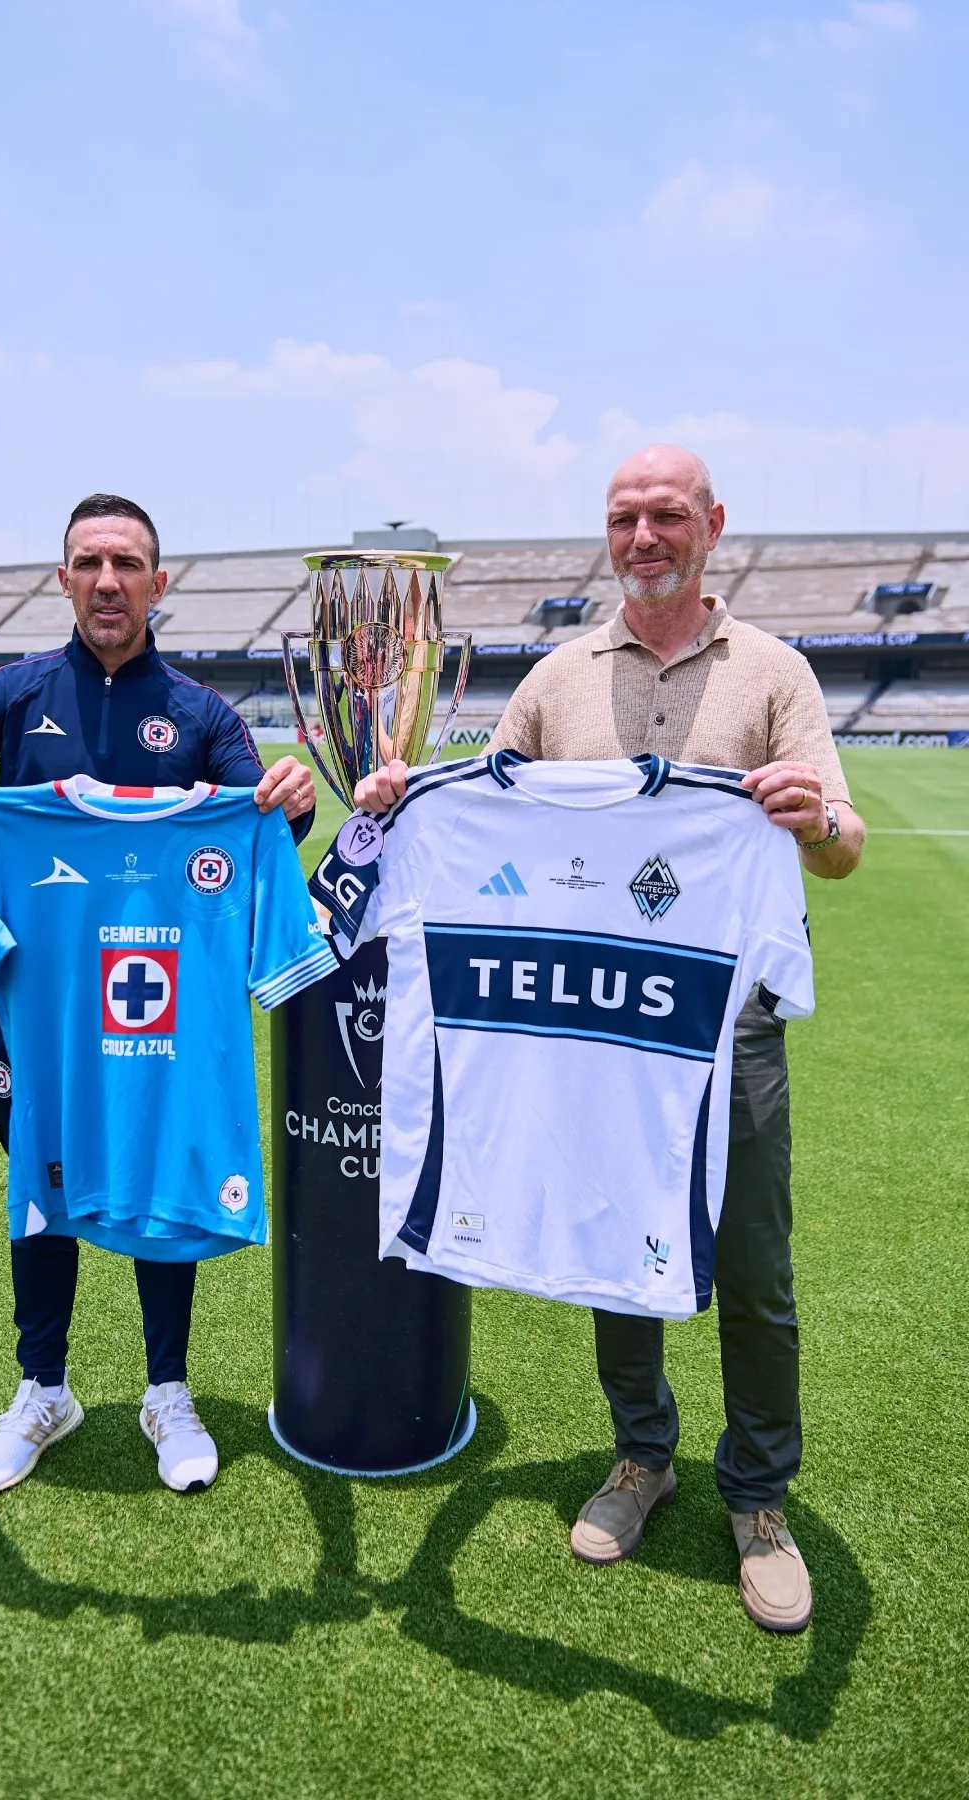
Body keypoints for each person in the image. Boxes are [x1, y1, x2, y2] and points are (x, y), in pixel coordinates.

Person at [354, 445, 864, 1633]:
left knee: (754, 1269)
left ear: (713, 526)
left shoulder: (776, 673)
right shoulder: (559, 676)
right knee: (611, 1229)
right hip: (585, 1024)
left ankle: (760, 1495)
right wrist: (400, 797)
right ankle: (644, 1456)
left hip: (724, 1029)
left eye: (668, 515)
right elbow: (484, 804)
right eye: (625, 516)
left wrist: (816, 818)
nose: (645, 535)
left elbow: (841, 847)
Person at [0, 492, 316, 1496]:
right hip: (47, 1021)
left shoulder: (202, 715)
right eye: (89, 563)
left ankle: (167, 1389)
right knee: (45, 1183)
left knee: (161, 1169)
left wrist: (286, 804)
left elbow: (259, 844)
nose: (108, 581)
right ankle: (45, 1388)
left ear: (159, 583)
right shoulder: (9, 697)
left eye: (127, 564)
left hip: (161, 1016)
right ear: (63, 577)